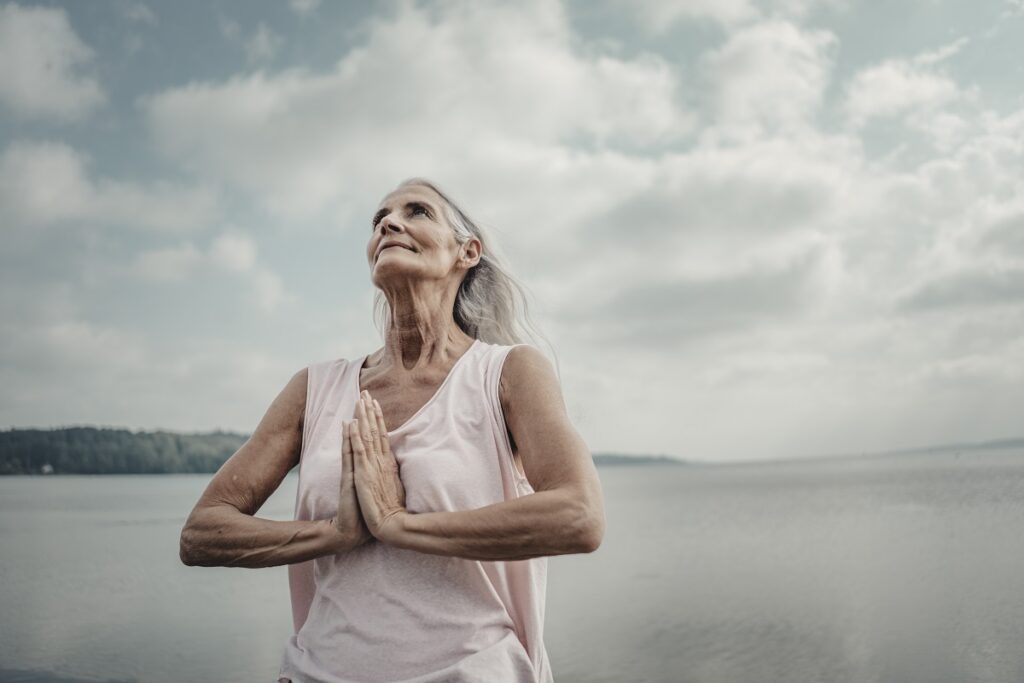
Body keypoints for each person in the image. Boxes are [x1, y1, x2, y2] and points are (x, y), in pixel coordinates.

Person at [178, 177, 605, 682]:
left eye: (417, 211)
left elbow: (579, 516)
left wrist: (398, 525)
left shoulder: (507, 373)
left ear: (467, 252)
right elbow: (201, 533)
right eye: (379, 219)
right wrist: (334, 534)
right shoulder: (314, 389)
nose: (389, 224)